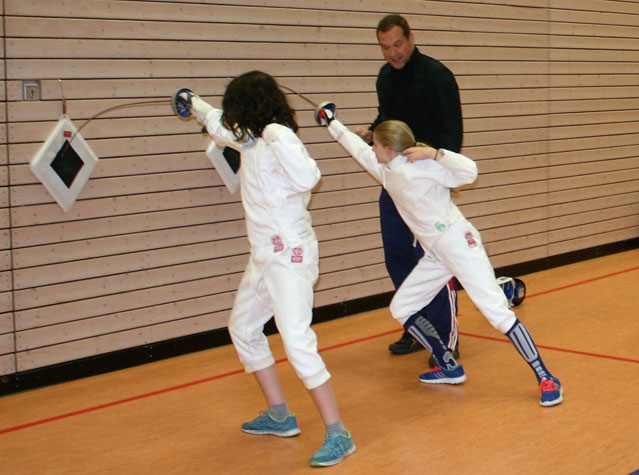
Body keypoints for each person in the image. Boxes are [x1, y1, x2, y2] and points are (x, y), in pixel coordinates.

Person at [318, 105, 563, 407]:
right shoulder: (386, 170)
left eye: (376, 144)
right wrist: (333, 125)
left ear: (386, 147)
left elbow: (469, 171)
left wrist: (435, 154)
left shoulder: (420, 166)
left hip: (460, 243)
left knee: (496, 313)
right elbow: (357, 149)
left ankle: (546, 377)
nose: (372, 148)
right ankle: (448, 364)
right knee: (402, 307)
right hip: (436, 254)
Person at [171, 71, 355, 467]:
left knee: (296, 343)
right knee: (242, 328)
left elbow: (310, 177)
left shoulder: (275, 136)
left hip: (290, 257)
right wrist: (194, 102)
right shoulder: (249, 139)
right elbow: (220, 127)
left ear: (250, 106)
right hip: (263, 258)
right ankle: (278, 415)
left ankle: (339, 433)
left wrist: (275, 134)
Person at [358, 14, 464, 363]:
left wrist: (437, 171)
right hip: (395, 180)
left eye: (398, 44)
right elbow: (387, 118)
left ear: (411, 38)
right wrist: (372, 132)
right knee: (397, 255)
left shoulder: (437, 76)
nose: (393, 53)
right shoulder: (385, 77)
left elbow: (452, 136)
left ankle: (446, 340)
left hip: (428, 186)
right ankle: (417, 328)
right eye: (386, 47)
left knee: (433, 260)